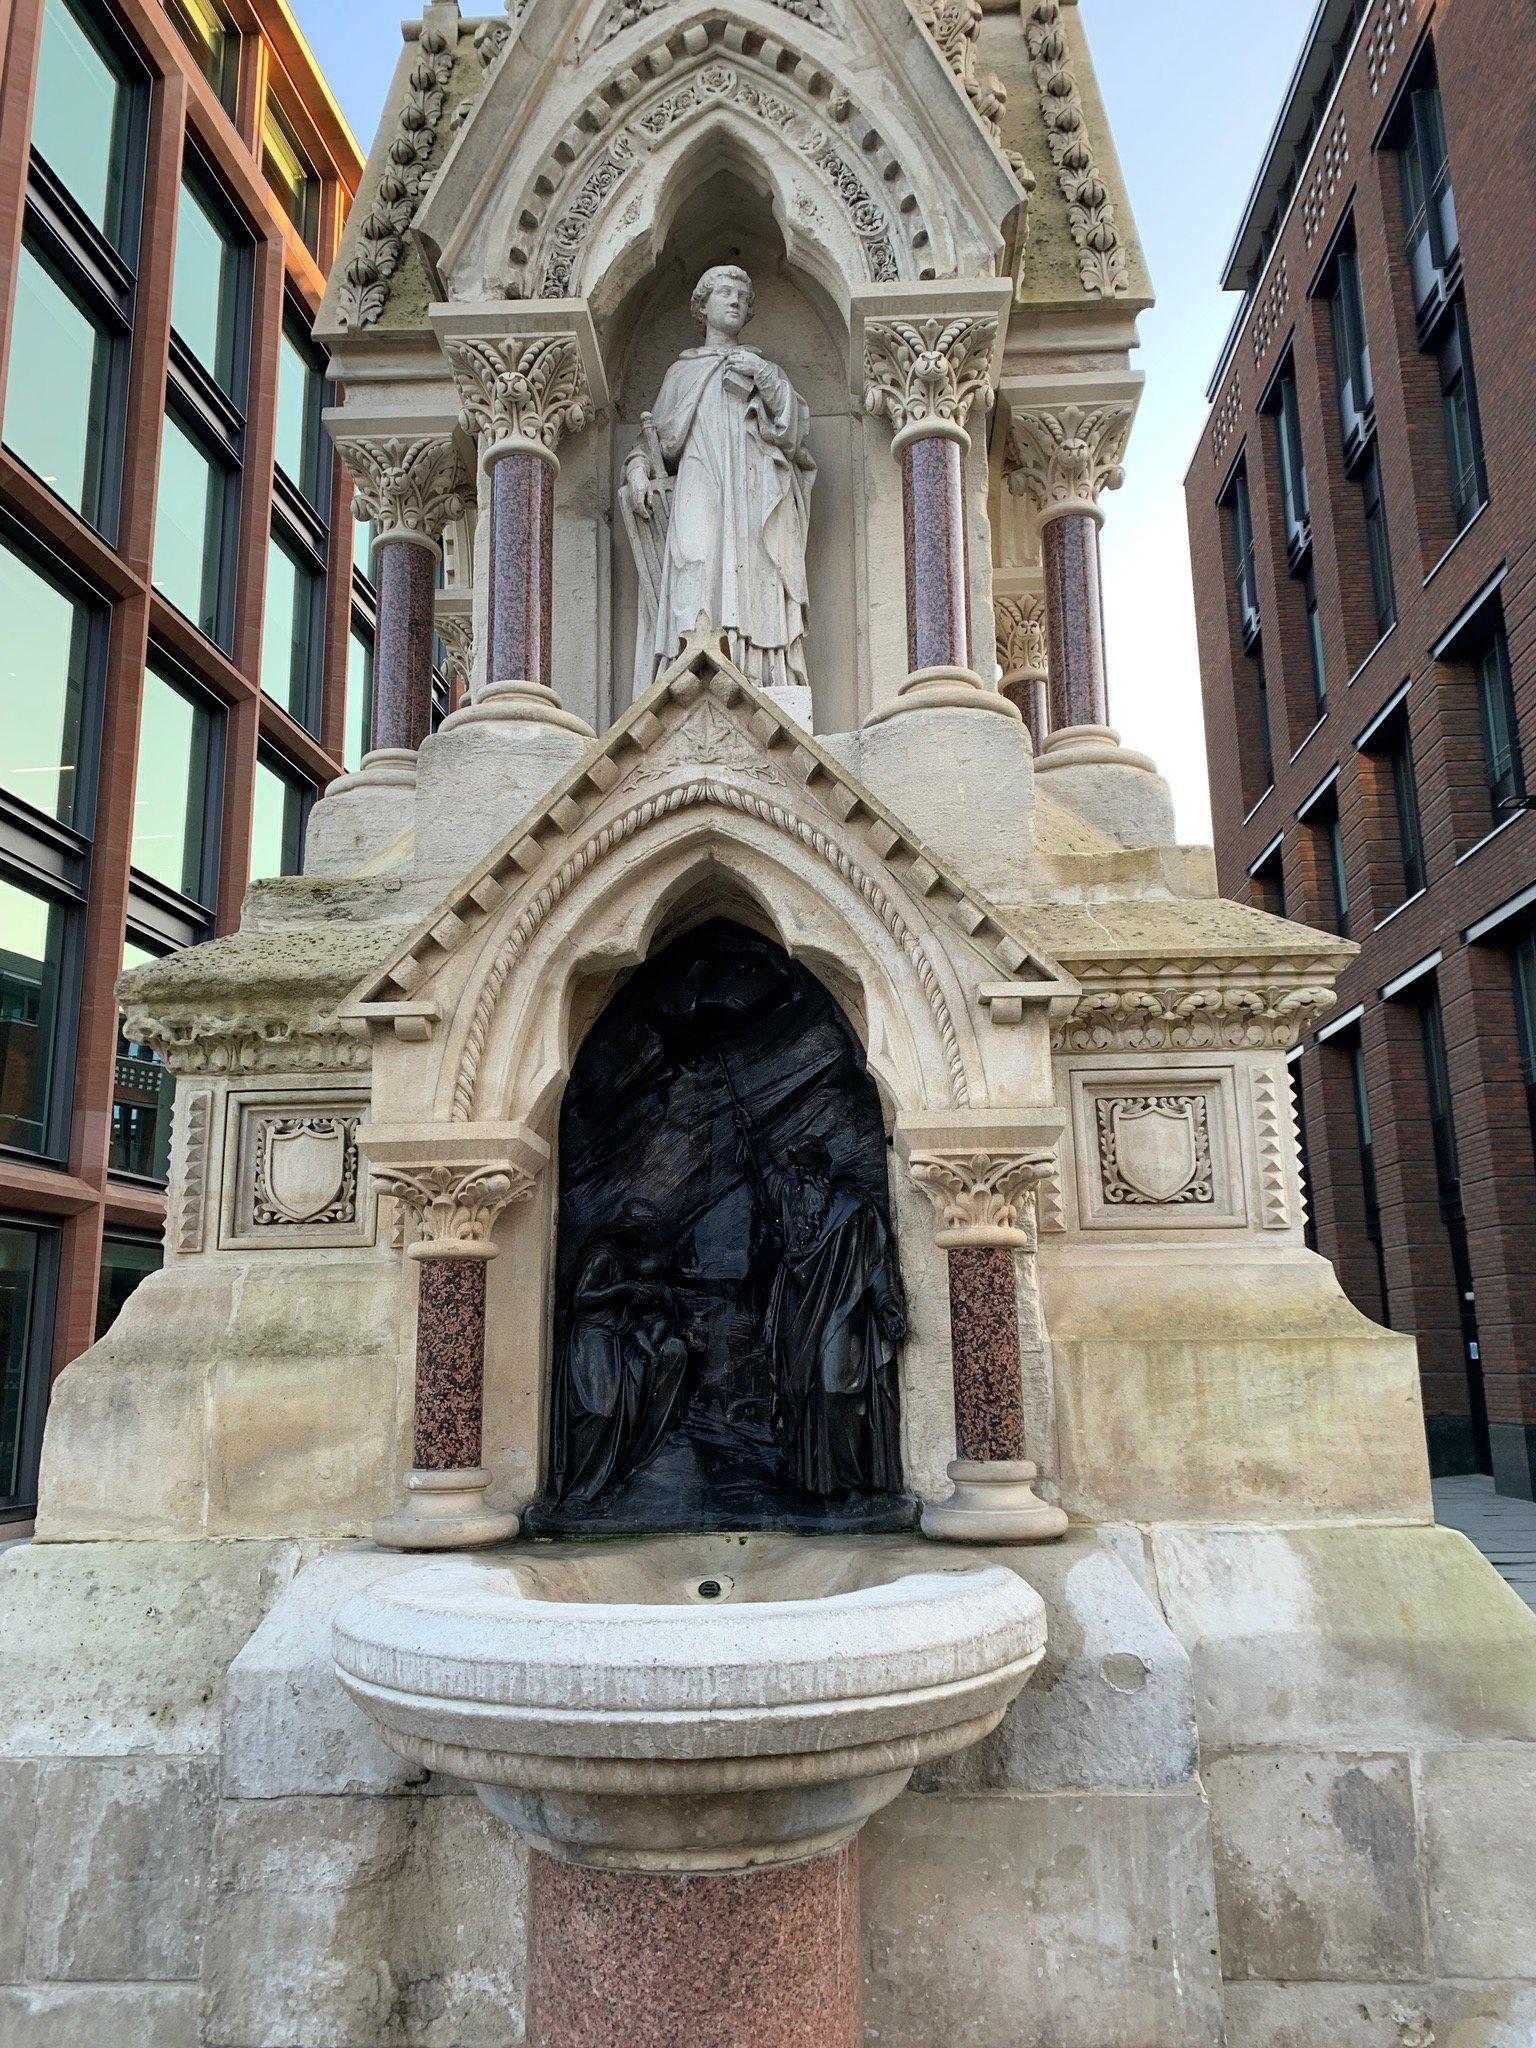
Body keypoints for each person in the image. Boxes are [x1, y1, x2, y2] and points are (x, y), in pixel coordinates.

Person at [623, 264, 816, 696]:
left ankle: (758, 670)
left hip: (752, 483)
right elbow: (652, 441)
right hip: (700, 474)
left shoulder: (761, 368)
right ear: (703, 305)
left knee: (754, 561)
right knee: (695, 555)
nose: (735, 301)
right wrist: (637, 470)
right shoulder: (681, 373)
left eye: (743, 298)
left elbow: (793, 432)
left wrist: (764, 377)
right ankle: (689, 667)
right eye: (725, 293)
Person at [750, 1132, 907, 1498]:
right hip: (798, 1315)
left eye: (805, 1172)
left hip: (842, 1309)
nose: (799, 1180)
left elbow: (876, 1262)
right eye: (796, 1173)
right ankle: (819, 1482)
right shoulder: (791, 1199)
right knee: (805, 1394)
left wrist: (887, 1305)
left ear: (822, 1170)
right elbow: (763, 1171)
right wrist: (748, 1131)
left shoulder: (854, 1210)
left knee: (836, 1388)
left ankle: (852, 1482)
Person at [549, 1199, 692, 1506]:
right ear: (629, 1226)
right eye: (642, 1231)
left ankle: (619, 1470)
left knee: (634, 1390)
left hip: (620, 1332)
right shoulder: (602, 1254)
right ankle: (580, 1490)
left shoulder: (630, 1255)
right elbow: (581, 1298)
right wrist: (624, 1289)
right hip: (593, 1335)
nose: (645, 1238)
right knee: (599, 1410)